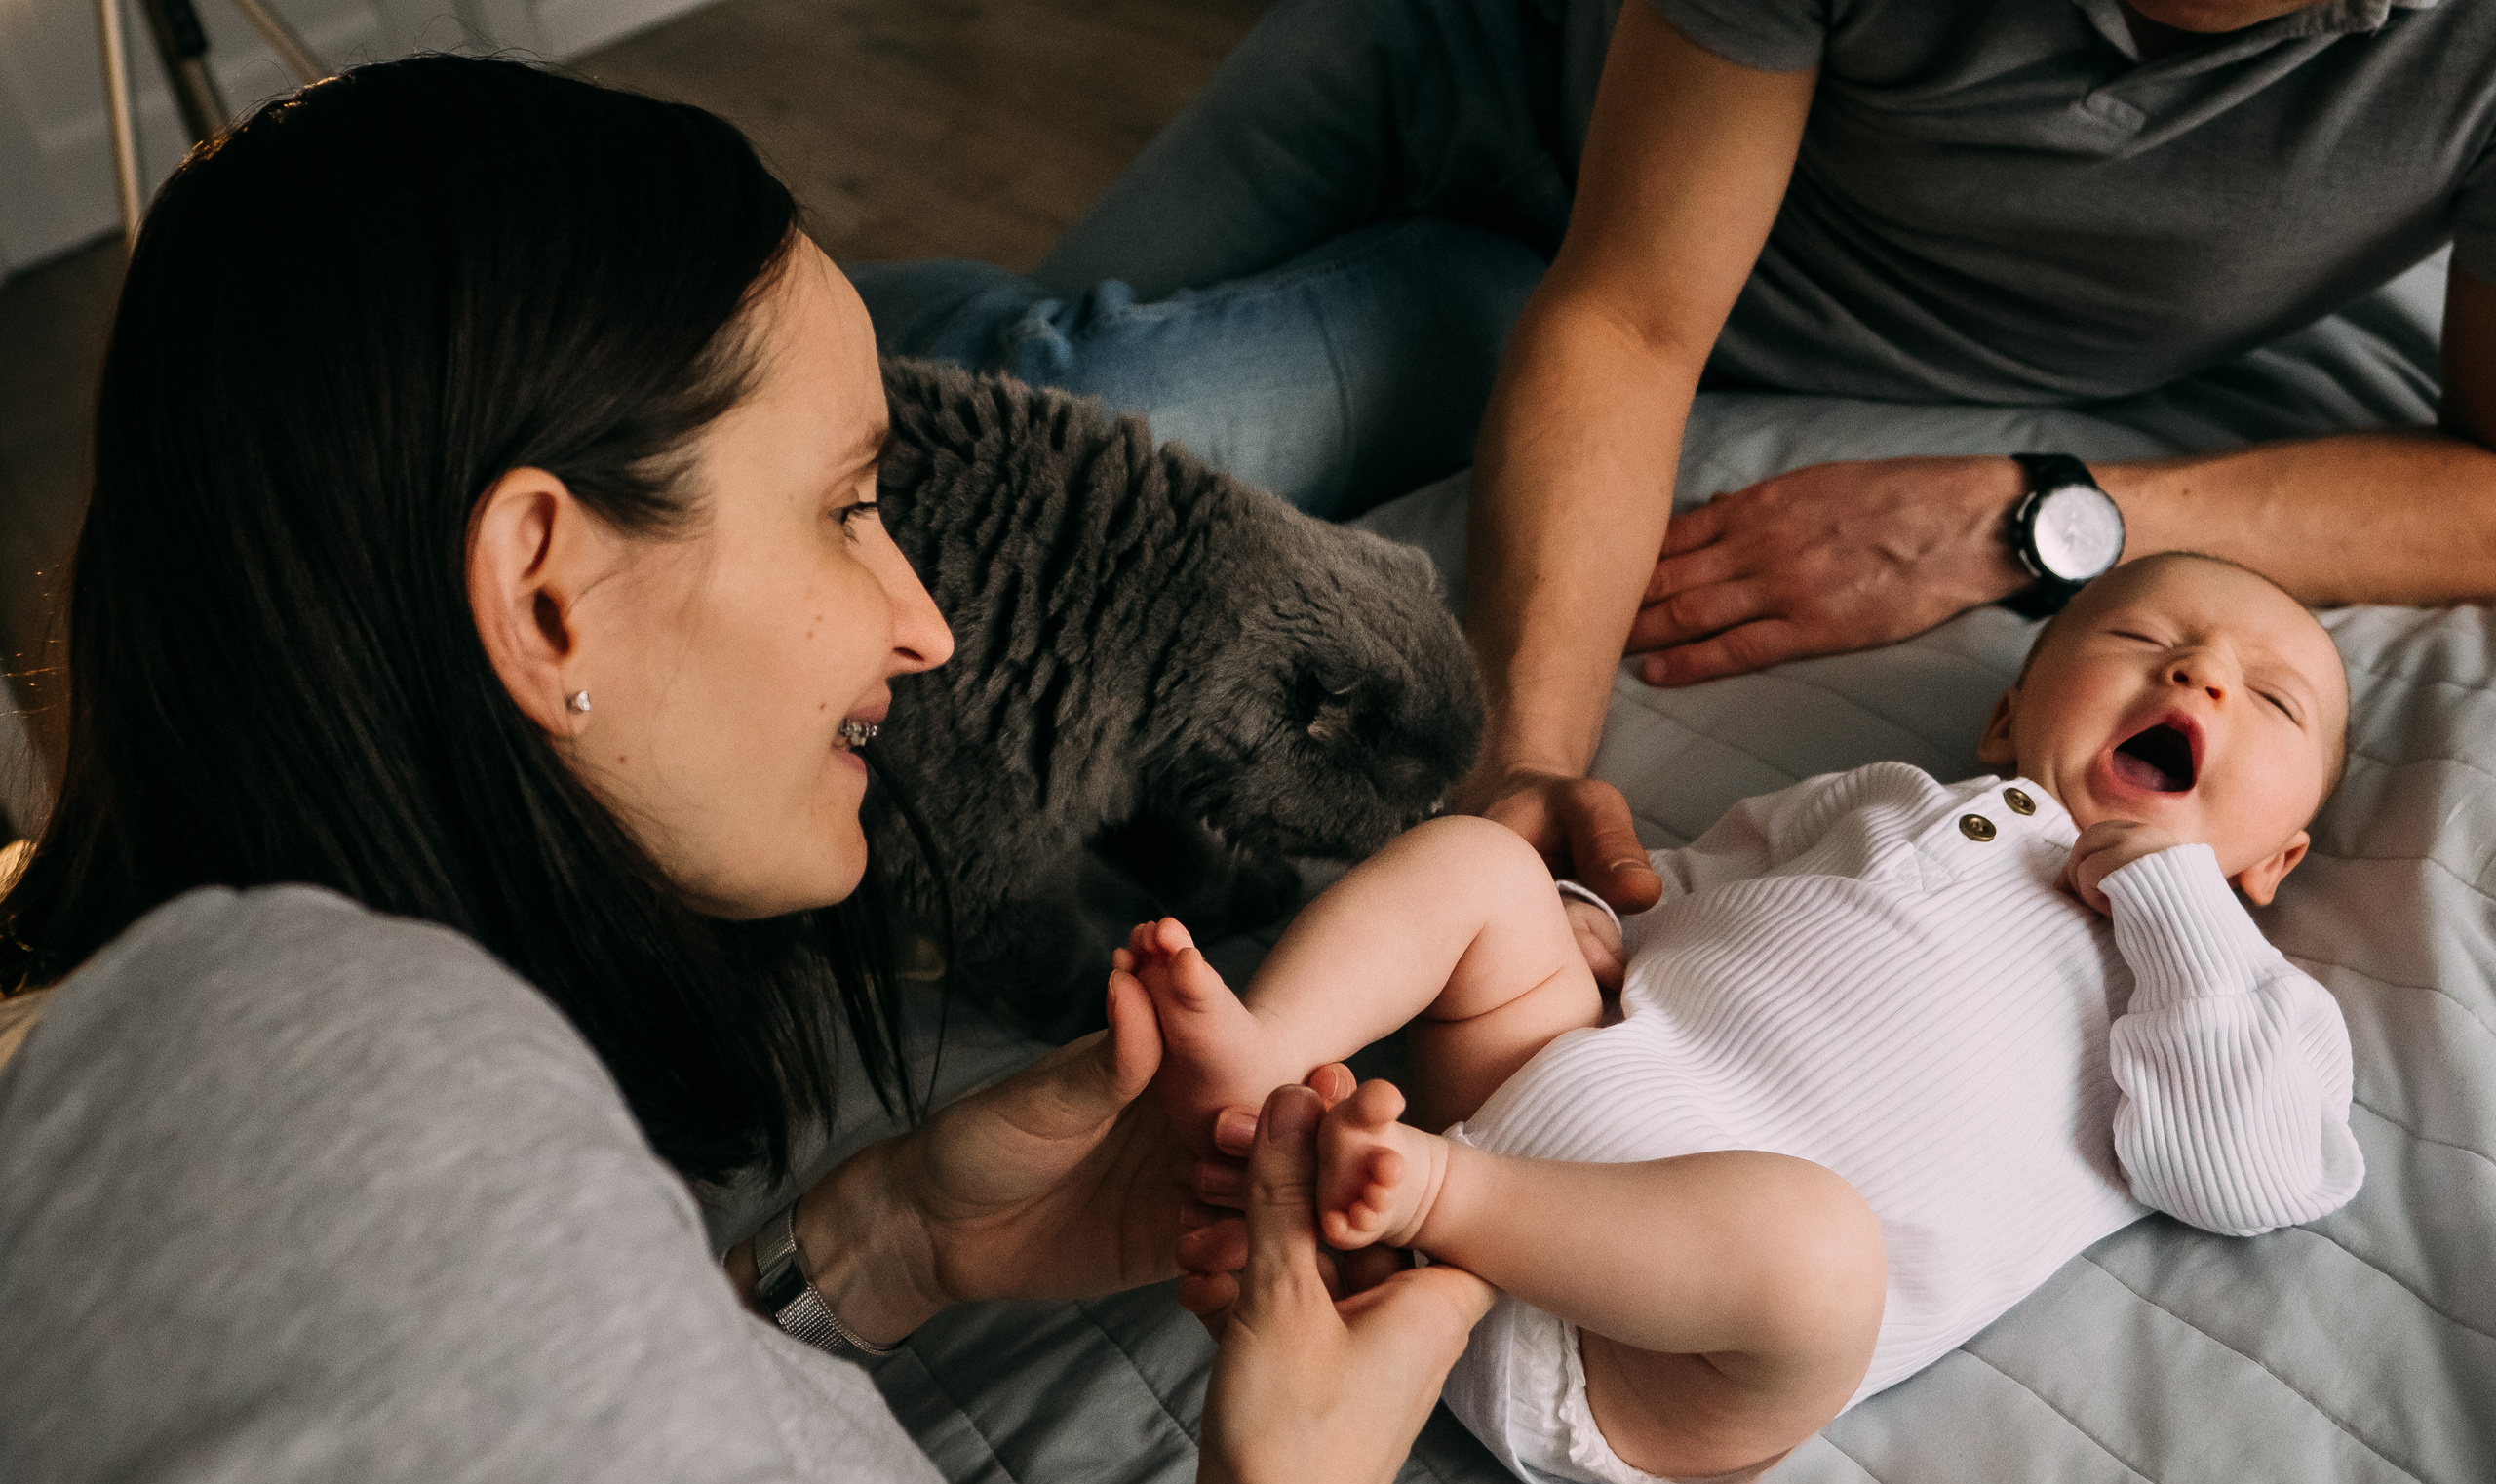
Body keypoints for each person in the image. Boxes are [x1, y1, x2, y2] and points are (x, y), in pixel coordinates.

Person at [0, 56, 1492, 1484]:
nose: (928, 620)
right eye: (850, 509)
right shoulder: (373, 1138)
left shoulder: (269, 1048)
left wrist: (884, 1238)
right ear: (547, 597)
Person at [853, 0, 2496, 922]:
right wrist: (1522, 765)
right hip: (1463, 87)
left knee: (1092, 433)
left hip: (1577, 308)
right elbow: (1629, 315)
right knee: (1007, 401)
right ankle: (687, 318)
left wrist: (2049, 515)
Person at [1117, 550, 2363, 1484]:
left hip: (1670, 1353)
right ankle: (1262, 1061)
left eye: (2269, 699)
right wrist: (1589, 928)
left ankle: (1421, 1197)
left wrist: (2178, 906)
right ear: (2005, 720)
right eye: (2145, 639)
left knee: (1820, 1249)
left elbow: (2240, 1172)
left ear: (2279, 860)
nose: (2198, 676)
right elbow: (1690, 891)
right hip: (1551, 1096)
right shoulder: (1884, 799)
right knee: (1484, 863)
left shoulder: (2252, 990)